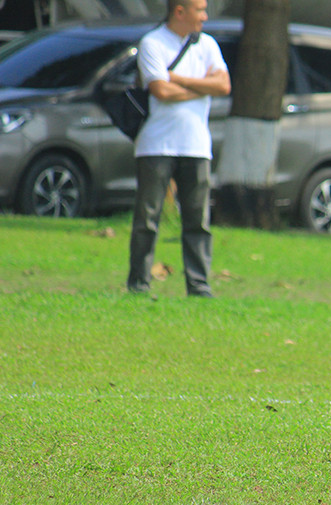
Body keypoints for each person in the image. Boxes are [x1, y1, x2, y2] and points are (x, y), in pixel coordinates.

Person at [127, 0, 230, 298]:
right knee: (148, 218)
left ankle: (199, 285)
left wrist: (179, 79)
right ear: (180, 11)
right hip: (156, 144)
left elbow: (223, 86)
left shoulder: (207, 44)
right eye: (200, 9)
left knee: (198, 220)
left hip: (196, 145)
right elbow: (160, 90)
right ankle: (139, 283)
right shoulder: (153, 43)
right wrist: (202, 87)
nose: (205, 16)